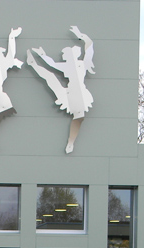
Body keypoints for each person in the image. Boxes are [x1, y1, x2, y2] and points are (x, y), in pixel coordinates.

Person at [27, 25, 94, 153]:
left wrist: (80, 35)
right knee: (50, 77)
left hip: (79, 94)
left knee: (79, 116)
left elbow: (89, 46)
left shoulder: (81, 64)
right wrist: (42, 55)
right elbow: (51, 64)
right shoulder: (67, 66)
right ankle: (33, 64)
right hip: (69, 93)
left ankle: (71, 142)